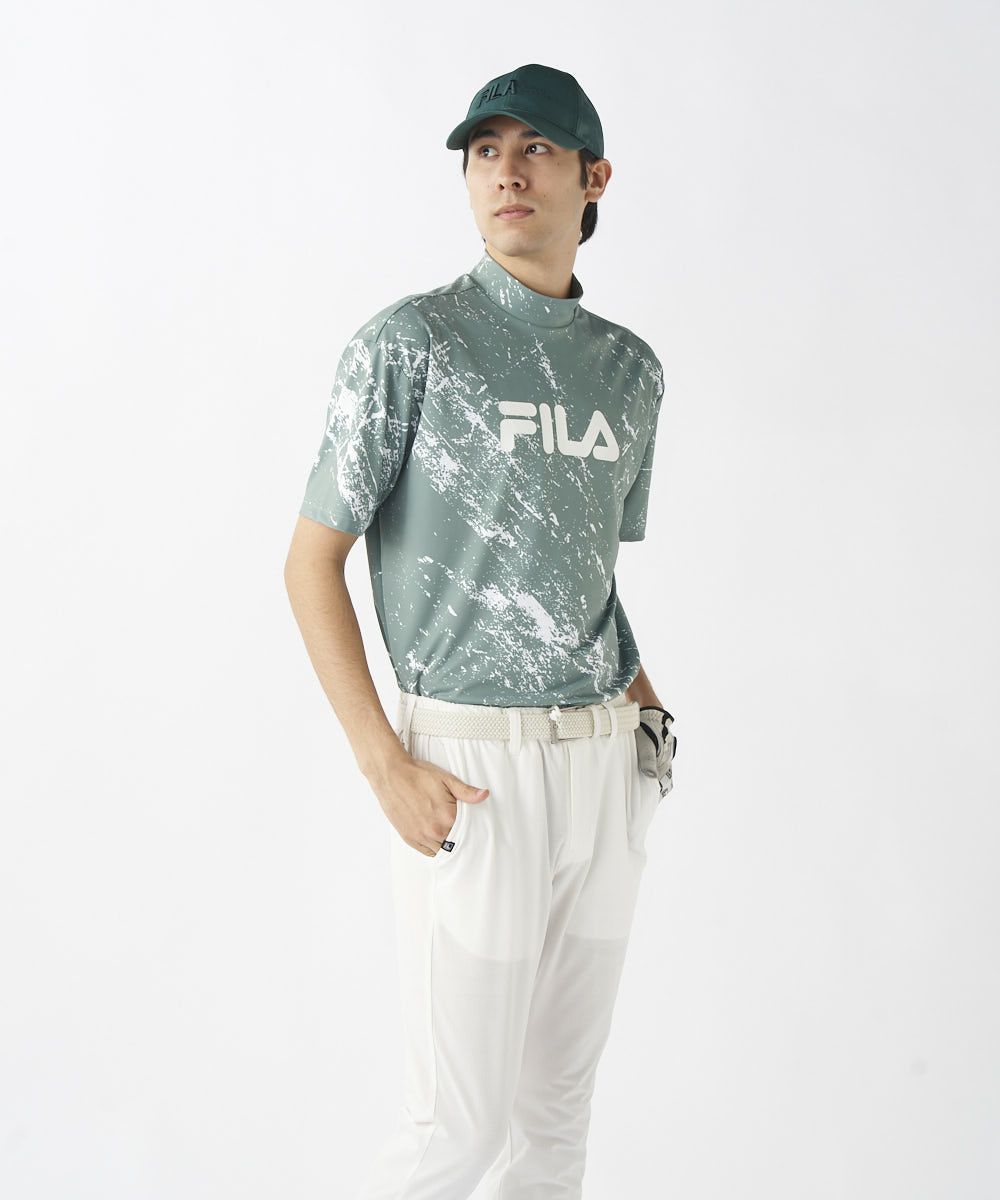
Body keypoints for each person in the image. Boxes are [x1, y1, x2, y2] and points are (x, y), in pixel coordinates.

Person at [284, 61, 676, 1200]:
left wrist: (647, 715)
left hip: (603, 768)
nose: (507, 171)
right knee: (454, 1132)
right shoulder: (412, 343)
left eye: (537, 148)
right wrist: (384, 763)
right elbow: (310, 561)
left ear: (593, 178)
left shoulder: (630, 371)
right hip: (470, 772)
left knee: (554, 1124)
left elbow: (582, 568)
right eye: (485, 151)